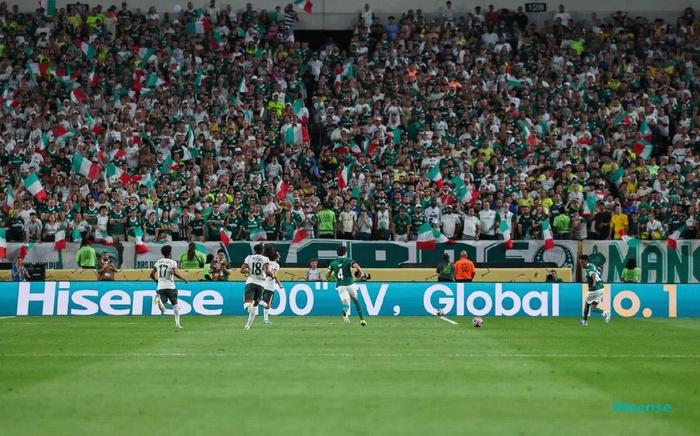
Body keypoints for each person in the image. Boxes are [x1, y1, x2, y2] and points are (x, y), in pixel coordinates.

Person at [326, 245, 367, 326]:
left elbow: (327, 276)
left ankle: (345, 310)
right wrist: (361, 272)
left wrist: (332, 277)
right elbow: (356, 266)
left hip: (340, 285)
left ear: (337, 253)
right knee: (355, 300)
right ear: (345, 252)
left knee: (345, 302)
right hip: (350, 283)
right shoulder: (348, 260)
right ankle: (362, 320)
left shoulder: (333, 263)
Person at [150, 245, 188, 329]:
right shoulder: (172, 262)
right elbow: (175, 273)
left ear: (162, 253)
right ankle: (177, 324)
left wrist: (157, 281)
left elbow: (151, 275)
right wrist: (183, 279)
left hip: (160, 287)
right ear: (170, 253)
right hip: (171, 286)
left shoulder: (158, 262)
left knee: (163, 309)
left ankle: (159, 301)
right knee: (175, 305)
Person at [240, 244, 271, 330]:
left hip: (251, 281)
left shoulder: (249, 257)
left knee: (246, 303)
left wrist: (249, 271)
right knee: (255, 306)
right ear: (262, 251)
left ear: (254, 250)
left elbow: (242, 270)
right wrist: (272, 275)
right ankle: (247, 326)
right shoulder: (265, 259)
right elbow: (267, 271)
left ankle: (254, 304)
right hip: (261, 284)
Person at [579, 254, 610, 326]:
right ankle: (605, 312)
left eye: (582, 262)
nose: (580, 264)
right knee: (593, 308)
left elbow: (593, 275)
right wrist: (598, 269)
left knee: (587, 304)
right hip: (601, 288)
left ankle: (584, 321)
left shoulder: (588, 268)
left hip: (594, 289)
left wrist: (594, 282)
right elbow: (598, 268)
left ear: (586, 261)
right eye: (580, 262)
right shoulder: (592, 265)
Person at [260, 246, 284, 325]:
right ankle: (265, 320)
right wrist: (279, 284)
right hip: (270, 286)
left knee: (265, 303)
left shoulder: (266, 263)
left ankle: (265, 320)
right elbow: (274, 275)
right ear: (276, 257)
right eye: (279, 256)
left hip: (262, 284)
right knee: (267, 304)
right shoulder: (276, 265)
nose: (280, 257)